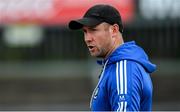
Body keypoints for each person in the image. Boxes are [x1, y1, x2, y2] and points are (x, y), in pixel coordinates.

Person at [68, 4, 156, 111]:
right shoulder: (117, 65)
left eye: (93, 30)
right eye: (85, 32)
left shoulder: (124, 69)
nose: (87, 38)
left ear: (114, 30)